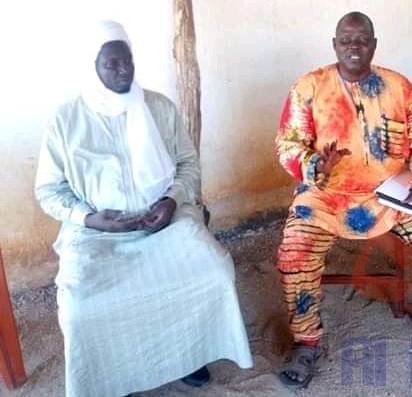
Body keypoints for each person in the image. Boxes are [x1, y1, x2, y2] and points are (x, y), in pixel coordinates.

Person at [35, 20, 253, 396]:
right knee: (82, 307)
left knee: (212, 272)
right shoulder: (65, 122)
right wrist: (90, 219)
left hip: (164, 220)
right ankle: (110, 377)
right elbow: (50, 192)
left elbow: (188, 164)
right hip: (97, 233)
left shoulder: (158, 108)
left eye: (127, 61)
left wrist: (171, 200)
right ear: (92, 67)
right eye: (111, 64)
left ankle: (190, 354)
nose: (123, 71)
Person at [275, 11, 412, 388]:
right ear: (334, 45)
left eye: (362, 40)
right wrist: (314, 164)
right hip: (326, 193)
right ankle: (307, 339)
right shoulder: (309, 87)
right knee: (294, 249)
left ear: (374, 45)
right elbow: (287, 144)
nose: (353, 47)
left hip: (391, 192)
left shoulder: (399, 86)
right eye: (346, 40)